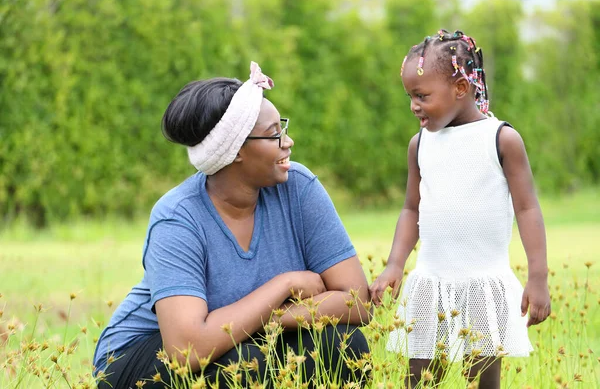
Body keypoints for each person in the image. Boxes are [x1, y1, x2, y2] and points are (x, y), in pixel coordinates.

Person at [93, 62, 371, 389]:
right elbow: (187, 349)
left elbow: (356, 300)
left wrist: (272, 319)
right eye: (273, 134)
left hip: (238, 343)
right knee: (247, 364)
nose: (288, 141)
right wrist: (284, 285)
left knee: (343, 344)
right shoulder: (177, 216)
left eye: (282, 128)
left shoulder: (297, 187)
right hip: (138, 355)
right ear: (236, 150)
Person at [369, 30, 551, 389]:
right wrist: (394, 263)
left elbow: (528, 208)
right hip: (430, 282)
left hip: (483, 284)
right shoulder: (419, 145)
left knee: (481, 382)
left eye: (422, 96)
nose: (413, 106)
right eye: (410, 96)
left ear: (460, 89)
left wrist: (538, 277)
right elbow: (410, 210)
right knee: (419, 380)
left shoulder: (501, 139)